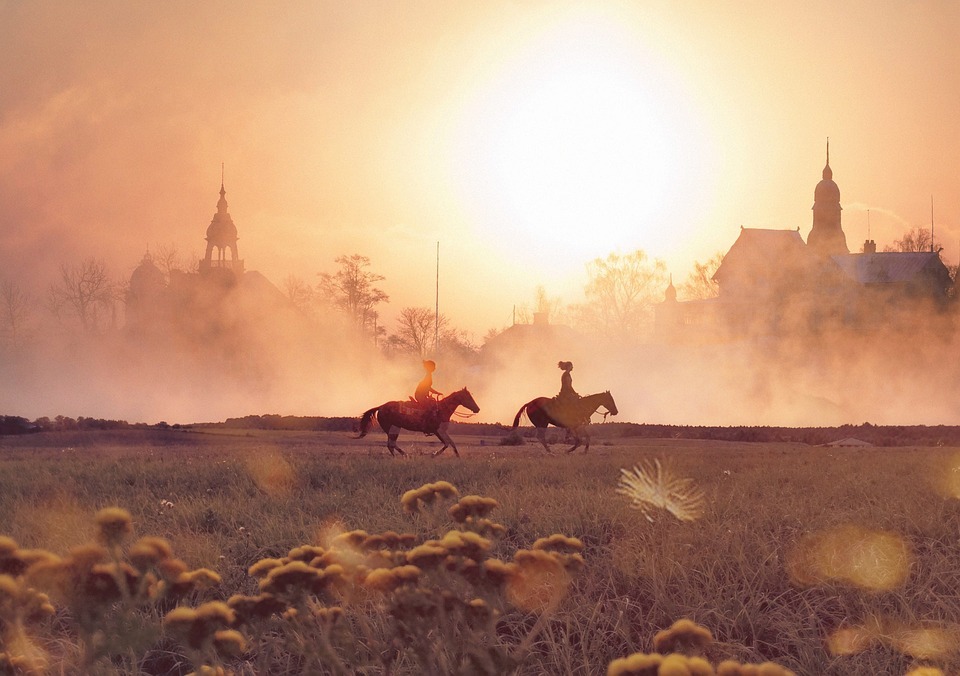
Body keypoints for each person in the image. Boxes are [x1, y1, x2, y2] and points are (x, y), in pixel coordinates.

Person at [414, 359, 442, 428]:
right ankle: (424, 423)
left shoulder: (428, 375)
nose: (434, 368)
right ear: (430, 367)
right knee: (429, 407)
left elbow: (427, 387)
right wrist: (436, 392)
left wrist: (435, 393)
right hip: (420, 395)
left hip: (421, 395)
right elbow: (428, 388)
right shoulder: (428, 376)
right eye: (433, 367)